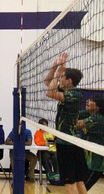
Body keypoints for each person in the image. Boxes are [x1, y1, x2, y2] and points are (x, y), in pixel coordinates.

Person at [45, 53, 87, 194]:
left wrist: (59, 69)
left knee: (69, 182)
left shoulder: (74, 94)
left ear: (69, 81)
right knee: (79, 181)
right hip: (73, 141)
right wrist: (56, 66)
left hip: (67, 143)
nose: (60, 79)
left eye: (62, 77)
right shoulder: (68, 91)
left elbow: (50, 93)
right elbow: (47, 83)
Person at [77, 94, 104, 191]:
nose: (88, 101)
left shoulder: (98, 118)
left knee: (81, 189)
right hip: (87, 160)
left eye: (92, 100)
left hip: (96, 163)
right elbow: (75, 114)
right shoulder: (90, 114)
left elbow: (78, 123)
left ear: (98, 106)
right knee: (78, 188)